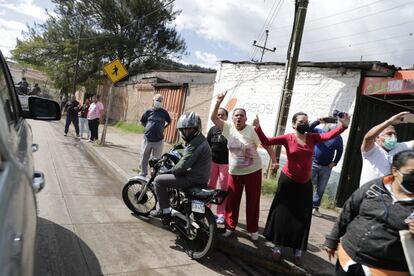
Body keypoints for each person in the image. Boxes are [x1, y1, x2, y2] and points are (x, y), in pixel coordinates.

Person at [253, 111, 349, 265]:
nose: (304, 123)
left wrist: (343, 126)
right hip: (287, 181)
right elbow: (266, 141)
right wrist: (258, 128)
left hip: (305, 184)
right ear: (294, 124)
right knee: (283, 213)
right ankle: (277, 246)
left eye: (306, 121)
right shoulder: (288, 138)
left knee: (302, 216)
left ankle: (297, 249)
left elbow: (329, 136)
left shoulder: (312, 137)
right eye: (301, 121)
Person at [325, 150, 414, 275]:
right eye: (412, 173)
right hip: (348, 259)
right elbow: (349, 210)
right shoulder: (374, 187)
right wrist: (332, 239)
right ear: (395, 171)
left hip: (385, 271)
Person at [210, 91, 277, 241]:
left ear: (246, 118)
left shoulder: (252, 130)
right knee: (232, 200)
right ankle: (229, 227)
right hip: (234, 172)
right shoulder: (228, 128)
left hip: (253, 171)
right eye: (236, 115)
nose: (239, 117)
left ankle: (253, 230)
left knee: (252, 201)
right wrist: (218, 102)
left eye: (241, 115)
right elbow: (214, 118)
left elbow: (267, 145)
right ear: (232, 118)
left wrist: (275, 161)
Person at [150, 112, 211, 222]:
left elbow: (182, 166)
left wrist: (167, 172)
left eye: (190, 129)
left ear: (196, 128)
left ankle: (165, 212)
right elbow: (190, 157)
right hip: (202, 176)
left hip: (192, 178)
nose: (187, 132)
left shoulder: (195, 144)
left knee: (159, 180)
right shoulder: (200, 139)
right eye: (184, 129)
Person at [360, 111, 414, 186]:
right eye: (389, 134)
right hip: (369, 195)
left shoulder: (399, 147)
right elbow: (368, 138)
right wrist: (389, 122)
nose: (393, 137)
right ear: (377, 137)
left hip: (388, 196)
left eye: (395, 134)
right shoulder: (371, 150)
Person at [309, 119, 343, 217]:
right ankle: (304, 205)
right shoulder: (319, 132)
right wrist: (319, 121)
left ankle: (315, 208)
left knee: (321, 188)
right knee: (307, 184)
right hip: (313, 164)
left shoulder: (338, 138)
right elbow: (309, 128)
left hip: (326, 167)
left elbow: (340, 151)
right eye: (330, 124)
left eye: (334, 124)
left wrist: (335, 162)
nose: (331, 126)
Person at [139, 94, 171, 177]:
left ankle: (154, 175)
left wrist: (163, 127)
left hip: (158, 140)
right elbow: (143, 121)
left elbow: (169, 121)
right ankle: (143, 173)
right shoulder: (148, 111)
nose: (158, 102)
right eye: (157, 100)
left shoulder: (164, 112)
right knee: (144, 157)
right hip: (147, 139)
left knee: (156, 159)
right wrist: (148, 128)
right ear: (153, 101)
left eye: (160, 101)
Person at [207, 107, 229, 224]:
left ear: (226, 117)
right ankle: (207, 209)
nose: (220, 117)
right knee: (209, 186)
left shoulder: (230, 130)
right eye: (218, 115)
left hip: (225, 164)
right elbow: (207, 145)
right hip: (212, 163)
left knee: (223, 189)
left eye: (222, 115)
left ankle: (221, 214)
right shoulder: (212, 130)